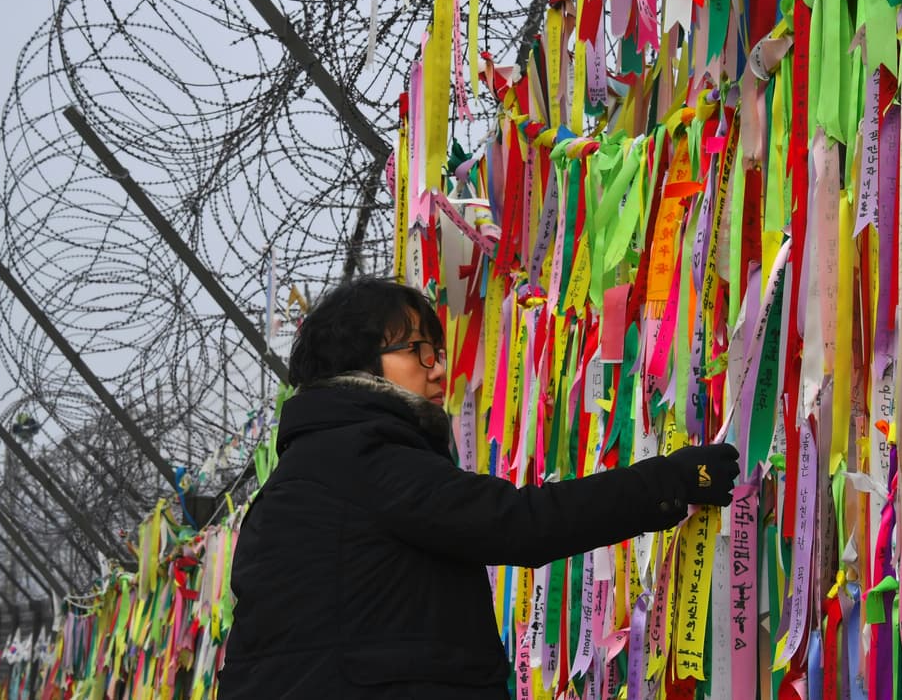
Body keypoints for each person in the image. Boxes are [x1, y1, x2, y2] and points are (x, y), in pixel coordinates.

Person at [217, 278, 739, 699]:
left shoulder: (286, 487)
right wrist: (670, 480)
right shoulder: (366, 457)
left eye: (438, 350)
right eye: (419, 350)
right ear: (361, 363)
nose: (439, 367)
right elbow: (520, 523)